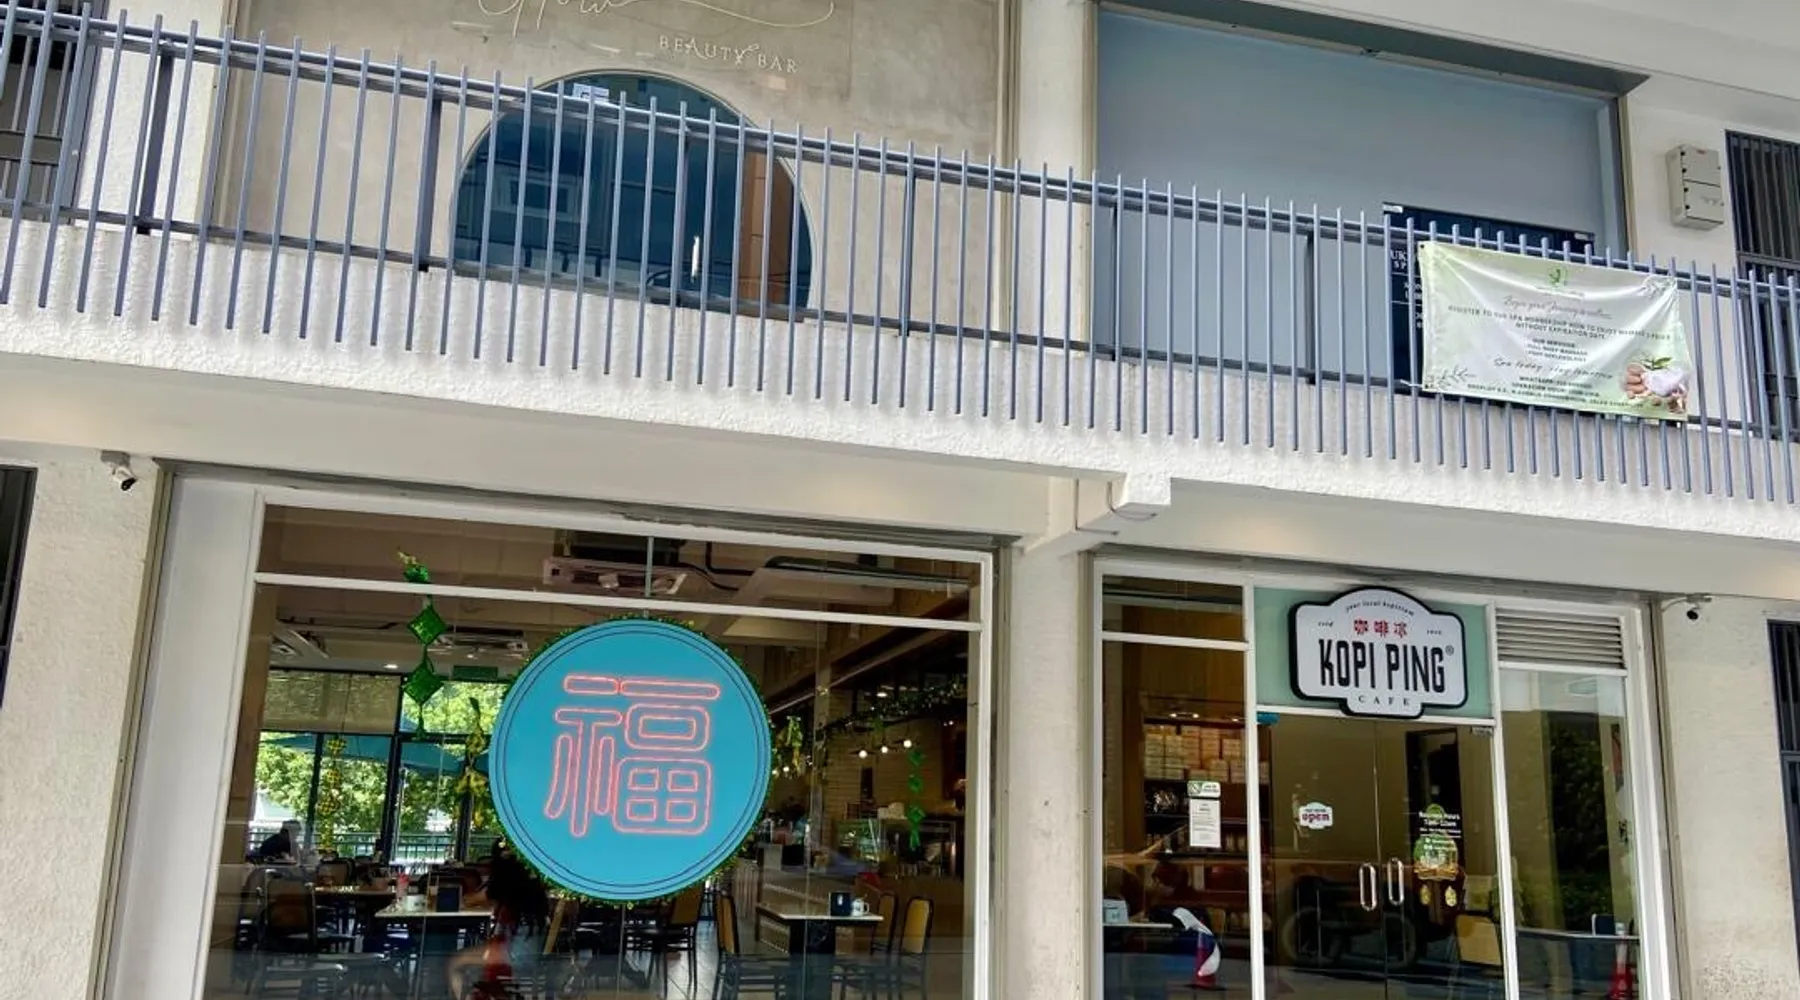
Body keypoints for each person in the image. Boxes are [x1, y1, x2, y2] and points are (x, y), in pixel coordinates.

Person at [446, 845, 552, 998]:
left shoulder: (503, 883)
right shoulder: (533, 884)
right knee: (474, 963)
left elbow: (468, 900)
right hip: (532, 953)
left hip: (514, 955)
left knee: (456, 961)